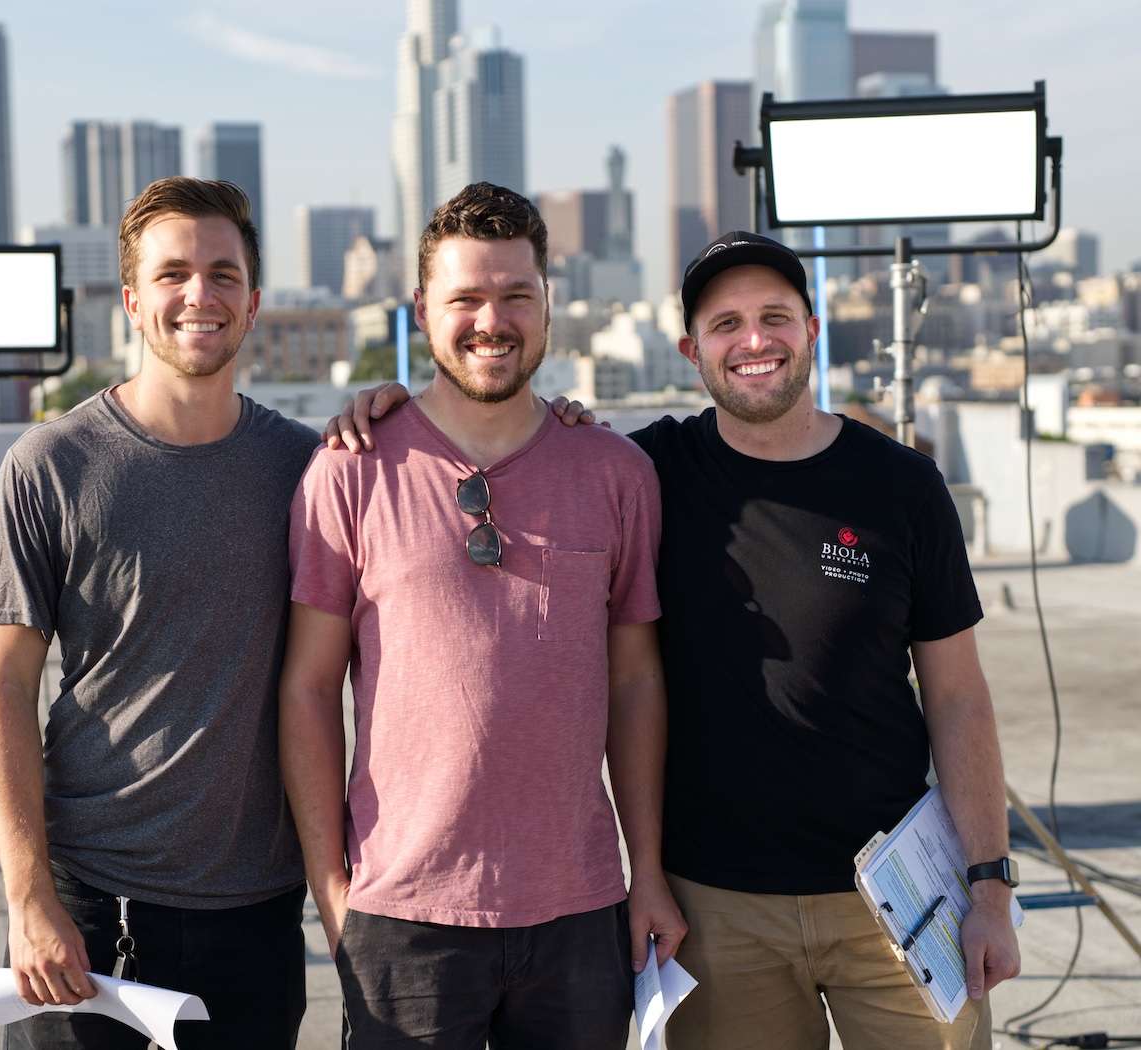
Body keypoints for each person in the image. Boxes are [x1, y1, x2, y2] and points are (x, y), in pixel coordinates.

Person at [327, 230, 1021, 1050]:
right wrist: (390, 403)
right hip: (716, 909)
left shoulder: (902, 486)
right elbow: (540, 446)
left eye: (775, 317)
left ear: (813, 330)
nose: (753, 340)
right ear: (693, 349)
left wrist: (990, 889)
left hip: (898, 895)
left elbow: (958, 696)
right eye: (725, 324)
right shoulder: (649, 472)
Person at [280, 181, 685, 1050]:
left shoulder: (616, 473)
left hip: (579, 908)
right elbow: (309, 689)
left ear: (549, 305)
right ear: (422, 309)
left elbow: (637, 681)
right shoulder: (350, 469)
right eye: (464, 298)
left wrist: (645, 871)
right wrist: (331, 889)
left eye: (515, 295)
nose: (490, 321)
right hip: (402, 914)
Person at [0, 177, 317, 1050]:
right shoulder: (50, 464)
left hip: (257, 915)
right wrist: (29, 899)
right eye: (172, 275)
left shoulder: (307, 467)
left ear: (253, 301)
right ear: (132, 300)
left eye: (222, 274)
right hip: (90, 906)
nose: (198, 295)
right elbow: (4, 688)